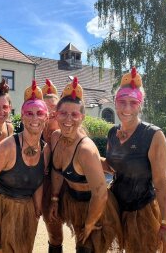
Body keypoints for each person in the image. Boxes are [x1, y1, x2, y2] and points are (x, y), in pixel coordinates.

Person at [101, 67, 166, 253]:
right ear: (115, 103)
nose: (127, 108)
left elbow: (161, 182)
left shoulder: (153, 135)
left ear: (140, 105)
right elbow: (112, 166)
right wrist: (87, 157)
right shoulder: (112, 133)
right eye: (122, 102)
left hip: (142, 211)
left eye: (133, 102)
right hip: (115, 207)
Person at [0, 80, 49, 253]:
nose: (34, 118)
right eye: (29, 113)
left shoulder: (46, 150)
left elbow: (39, 180)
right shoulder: (7, 148)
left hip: (25, 213)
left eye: (39, 113)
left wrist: (38, 208)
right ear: (22, 116)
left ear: (46, 116)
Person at [49, 77, 122, 253]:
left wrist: (90, 224)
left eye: (74, 114)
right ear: (56, 114)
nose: (68, 119)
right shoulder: (55, 137)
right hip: (74, 202)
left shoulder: (85, 150)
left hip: (96, 208)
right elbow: (57, 172)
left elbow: (100, 194)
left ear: (82, 117)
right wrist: (55, 198)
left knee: (87, 249)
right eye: (63, 113)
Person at [40, 79, 64, 253]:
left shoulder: (72, 135)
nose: (50, 113)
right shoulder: (30, 136)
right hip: (44, 190)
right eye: (45, 109)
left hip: (71, 190)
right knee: (55, 236)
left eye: (54, 108)